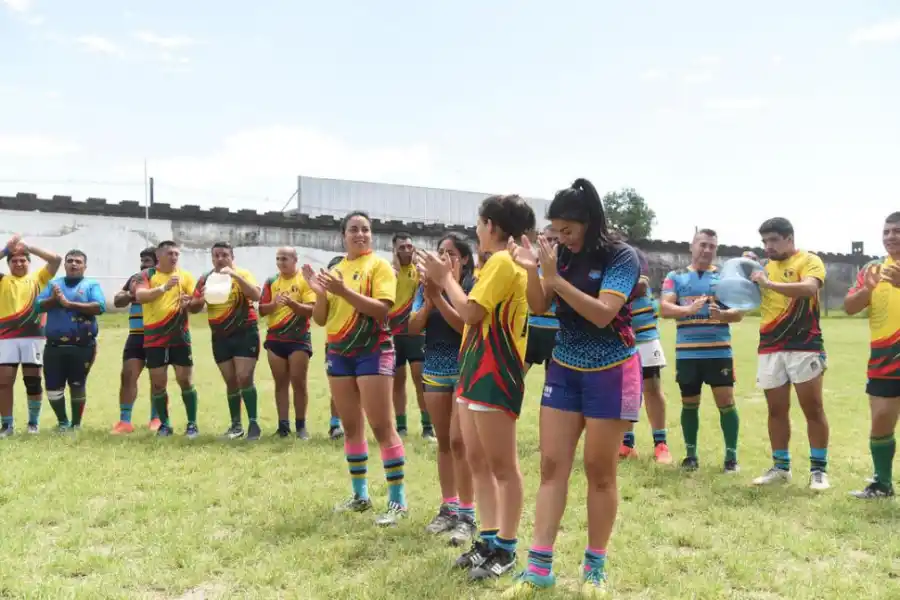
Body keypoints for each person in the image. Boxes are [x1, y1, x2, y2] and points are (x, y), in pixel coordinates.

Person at [504, 179, 640, 597]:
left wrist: (556, 279)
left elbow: (603, 314)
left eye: (568, 230)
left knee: (600, 472)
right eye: (556, 230)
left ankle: (594, 567)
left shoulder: (622, 256)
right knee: (551, 467)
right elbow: (541, 305)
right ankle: (538, 568)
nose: (561, 238)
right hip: (563, 367)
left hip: (612, 369)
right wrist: (533, 272)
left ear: (589, 222)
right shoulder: (556, 256)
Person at [419, 194, 534, 582]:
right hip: (473, 369)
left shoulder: (503, 262)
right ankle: (487, 539)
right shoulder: (493, 265)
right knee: (478, 462)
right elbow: (470, 320)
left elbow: (471, 311)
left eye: (479, 223)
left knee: (503, 467)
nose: (476, 230)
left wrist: (445, 278)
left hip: (496, 373)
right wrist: (440, 288)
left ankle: (506, 547)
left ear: (492, 227)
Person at [304, 211, 408, 526]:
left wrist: (343, 292)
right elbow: (320, 319)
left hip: (373, 352)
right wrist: (321, 293)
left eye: (365, 229)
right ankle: (360, 495)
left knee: (381, 426)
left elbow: (382, 311)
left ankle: (397, 501)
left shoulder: (379, 267)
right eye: (354, 229)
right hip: (339, 352)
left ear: (371, 235)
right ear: (343, 235)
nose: (360, 234)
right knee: (351, 427)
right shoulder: (336, 269)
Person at [749, 217, 830, 490]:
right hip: (770, 346)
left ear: (789, 238)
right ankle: (780, 468)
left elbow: (809, 288)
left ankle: (819, 471)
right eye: (764, 242)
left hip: (804, 345)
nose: (768, 246)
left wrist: (768, 284)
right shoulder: (763, 268)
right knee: (776, 410)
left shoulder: (809, 260)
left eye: (773, 240)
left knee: (813, 409)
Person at [409, 232, 478, 546]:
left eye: (449, 252)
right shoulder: (426, 287)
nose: (442, 257)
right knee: (444, 444)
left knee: (459, 441)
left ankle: (468, 514)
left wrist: (438, 296)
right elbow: (412, 327)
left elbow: (464, 326)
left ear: (463, 258)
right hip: (434, 366)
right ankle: (448, 507)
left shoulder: (471, 289)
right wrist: (428, 297)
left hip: (464, 367)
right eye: (439, 252)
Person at [659, 229, 743, 473]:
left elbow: (738, 313)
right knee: (689, 403)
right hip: (688, 353)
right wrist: (687, 310)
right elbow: (664, 307)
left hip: (719, 351)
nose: (707, 250)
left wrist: (724, 314)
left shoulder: (725, 279)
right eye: (703, 245)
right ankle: (691, 455)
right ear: (692, 246)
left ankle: (731, 458)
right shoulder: (675, 276)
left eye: (712, 246)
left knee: (726, 402)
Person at [846, 212, 900, 499]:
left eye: (898, 231)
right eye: (887, 231)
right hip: (884, 358)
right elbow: (850, 307)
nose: (891, 236)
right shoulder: (872, 268)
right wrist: (867, 289)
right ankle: (882, 484)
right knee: (880, 419)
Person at [190, 242, 262, 441]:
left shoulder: (243, 274)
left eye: (224, 255)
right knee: (231, 381)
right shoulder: (205, 279)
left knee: (244, 377)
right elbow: (194, 307)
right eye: (216, 255)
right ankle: (236, 426)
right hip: (220, 336)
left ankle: (254, 424)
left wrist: (236, 276)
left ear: (232, 257)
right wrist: (194, 301)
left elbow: (256, 295)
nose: (220, 259)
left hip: (245, 333)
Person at [133, 240, 199, 438]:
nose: (174, 257)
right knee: (158, 383)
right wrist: (163, 288)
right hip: (155, 338)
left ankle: (192, 424)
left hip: (180, 337)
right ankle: (165, 424)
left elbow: (198, 304)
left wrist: (191, 302)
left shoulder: (185, 276)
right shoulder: (146, 275)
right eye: (170, 253)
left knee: (185, 381)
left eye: (177, 254)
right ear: (159, 256)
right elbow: (141, 296)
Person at [36, 250, 106, 431]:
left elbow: (99, 307)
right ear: (65, 264)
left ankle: (75, 424)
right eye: (70, 261)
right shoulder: (54, 284)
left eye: (78, 261)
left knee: (77, 384)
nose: (74, 264)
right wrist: (54, 299)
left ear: (85, 266)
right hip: (54, 346)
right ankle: (62, 422)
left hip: (82, 346)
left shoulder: (91, 285)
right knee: (52, 387)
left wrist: (69, 304)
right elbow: (37, 306)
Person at [0, 235, 61, 436]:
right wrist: (6, 250)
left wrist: (29, 247)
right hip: (5, 338)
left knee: (32, 381)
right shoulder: (3, 280)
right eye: (14, 260)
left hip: (33, 337)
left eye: (22, 260)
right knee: (4, 381)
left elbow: (56, 260)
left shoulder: (37, 278)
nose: (18, 263)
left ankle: (33, 424)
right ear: (8, 263)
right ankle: (7, 425)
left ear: (28, 262)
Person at [619, 244, 672, 464]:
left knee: (652, 388)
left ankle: (660, 444)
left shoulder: (632, 253)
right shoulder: (607, 256)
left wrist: (612, 287)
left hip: (645, 337)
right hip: (621, 337)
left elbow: (641, 285)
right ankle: (627, 444)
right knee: (626, 391)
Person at [259, 247, 317, 439]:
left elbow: (311, 310)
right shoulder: (271, 281)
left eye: (285, 258)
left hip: (298, 339)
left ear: (295, 259)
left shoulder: (303, 280)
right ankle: (283, 426)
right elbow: (261, 310)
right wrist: (274, 304)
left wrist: (293, 305)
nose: (281, 262)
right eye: (278, 259)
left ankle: (301, 426)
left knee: (298, 383)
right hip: (275, 339)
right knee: (280, 383)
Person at [388, 233, 434, 440]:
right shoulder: (387, 272)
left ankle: (427, 427)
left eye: (409, 246)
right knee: (398, 382)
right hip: (393, 334)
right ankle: (400, 426)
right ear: (394, 250)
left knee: (420, 379)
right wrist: (395, 271)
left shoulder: (419, 271)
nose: (407, 250)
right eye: (402, 247)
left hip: (416, 333)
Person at [111, 247, 160, 434]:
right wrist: (134, 295)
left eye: (147, 260)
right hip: (136, 335)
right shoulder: (135, 279)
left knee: (157, 379)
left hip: (157, 334)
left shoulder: (163, 279)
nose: (142, 264)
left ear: (157, 261)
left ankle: (156, 418)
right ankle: (125, 421)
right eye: (141, 260)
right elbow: (118, 300)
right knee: (128, 375)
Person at [524, 225, 559, 373]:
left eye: (555, 240)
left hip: (556, 331)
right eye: (547, 239)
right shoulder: (531, 265)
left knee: (552, 386)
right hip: (531, 329)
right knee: (515, 381)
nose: (551, 244)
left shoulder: (567, 267)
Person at [323, 254, 345, 440]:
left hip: (360, 343)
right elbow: (319, 317)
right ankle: (334, 425)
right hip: (334, 344)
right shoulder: (327, 293)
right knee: (337, 388)